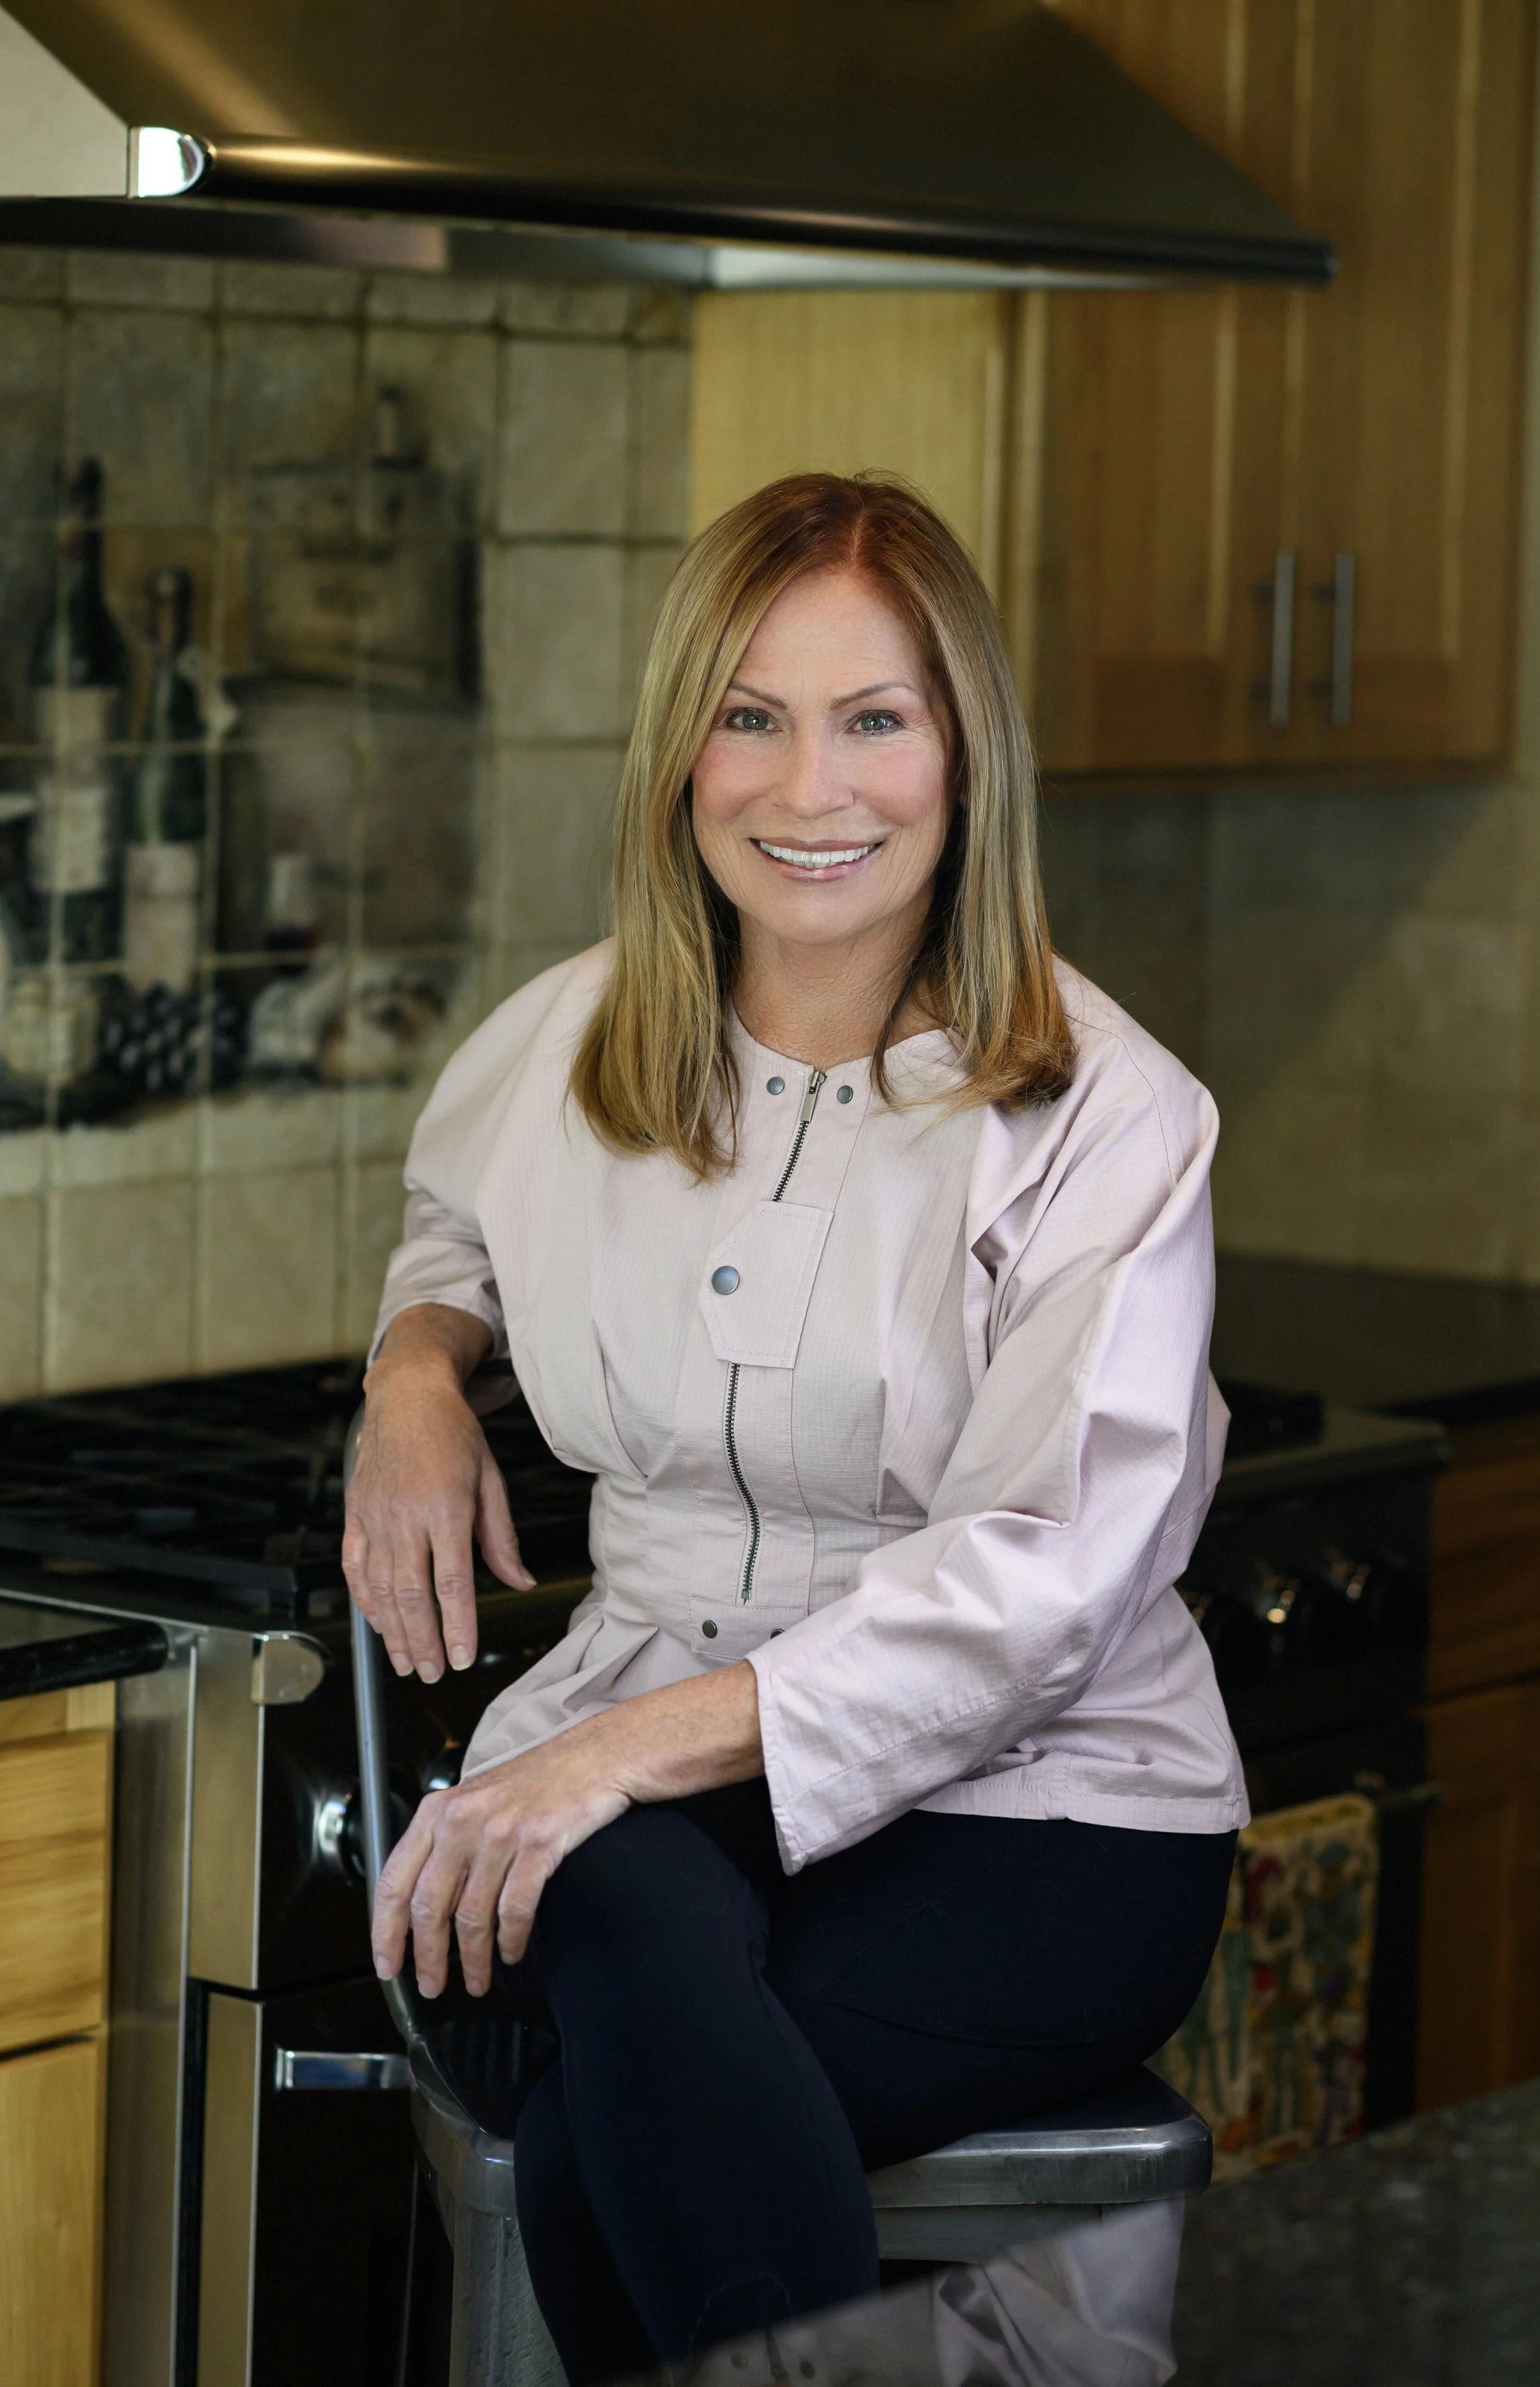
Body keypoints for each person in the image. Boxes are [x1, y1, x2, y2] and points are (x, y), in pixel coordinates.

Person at [345, 472, 1247, 2385]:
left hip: (1039, 1824)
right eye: (747, 715)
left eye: (872, 718)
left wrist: (597, 1761)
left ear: (962, 751)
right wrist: (414, 1375)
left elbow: (1037, 1583)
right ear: (681, 751)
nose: (805, 787)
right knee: (605, 1917)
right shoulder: (562, 1042)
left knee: (605, 2097)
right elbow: (454, 1224)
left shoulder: (1111, 1122)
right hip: (655, 1796)